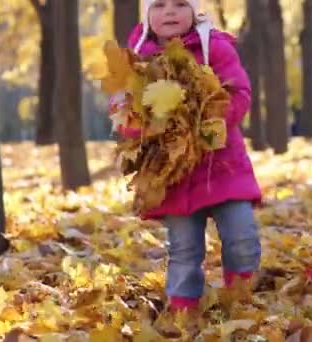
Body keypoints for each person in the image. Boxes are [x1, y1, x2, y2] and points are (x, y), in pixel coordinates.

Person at [109, 0, 262, 313]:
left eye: (181, 4)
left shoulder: (214, 47)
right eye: (159, 5)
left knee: (242, 235)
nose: (169, 12)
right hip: (172, 173)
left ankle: (241, 299)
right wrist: (142, 126)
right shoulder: (136, 58)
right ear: (147, 14)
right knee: (184, 247)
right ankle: (183, 310)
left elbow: (239, 91)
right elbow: (122, 110)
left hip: (221, 164)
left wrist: (213, 121)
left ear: (195, 10)